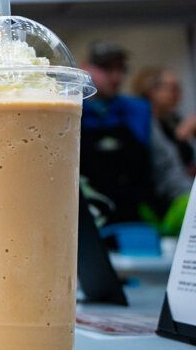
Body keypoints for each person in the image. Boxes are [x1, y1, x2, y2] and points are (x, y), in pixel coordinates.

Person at [80, 43, 190, 226]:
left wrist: (188, 201)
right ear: (85, 68)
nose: (116, 77)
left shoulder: (139, 111)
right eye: (106, 69)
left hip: (138, 228)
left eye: (121, 69)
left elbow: (167, 168)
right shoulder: (72, 111)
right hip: (87, 226)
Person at [133, 66, 196, 177]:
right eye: (173, 88)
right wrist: (180, 136)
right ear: (151, 91)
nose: (179, 93)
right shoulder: (142, 123)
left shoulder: (173, 119)